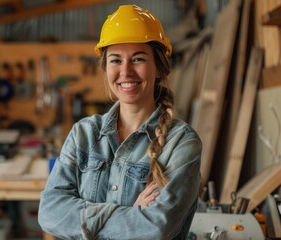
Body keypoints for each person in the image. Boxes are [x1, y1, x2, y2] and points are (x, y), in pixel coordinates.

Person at [38, 4, 202, 240]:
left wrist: (84, 220)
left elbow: (156, 229)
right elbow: (49, 212)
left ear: (159, 68)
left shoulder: (181, 143)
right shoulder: (84, 133)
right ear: (105, 69)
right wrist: (130, 214)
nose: (126, 71)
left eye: (138, 59)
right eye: (115, 60)